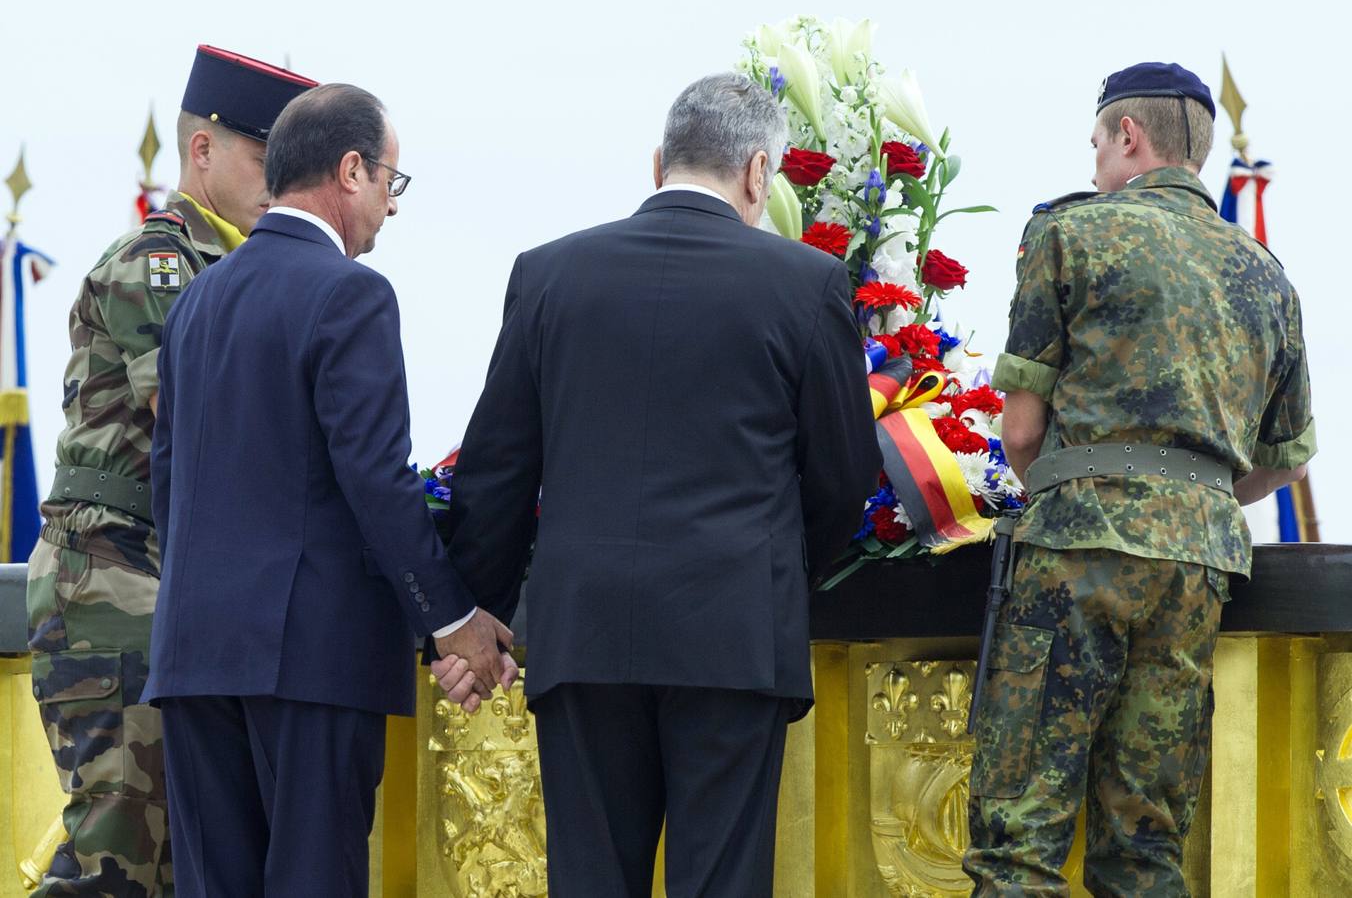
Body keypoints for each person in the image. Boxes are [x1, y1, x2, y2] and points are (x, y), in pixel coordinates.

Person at [430, 72, 881, 896]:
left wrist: (478, 615)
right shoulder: (805, 285)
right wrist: (773, 576)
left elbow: (496, 471)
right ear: (755, 173)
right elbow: (844, 475)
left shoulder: (548, 275)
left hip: (586, 636)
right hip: (734, 639)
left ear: (657, 164)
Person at [143, 82, 515, 897]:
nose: (391, 206)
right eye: (390, 182)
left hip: (194, 657)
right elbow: (376, 480)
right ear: (351, 171)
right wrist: (452, 621)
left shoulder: (197, 302)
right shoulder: (350, 292)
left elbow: (168, 485)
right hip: (308, 664)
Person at [965, 62, 1315, 895]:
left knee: (1019, 841)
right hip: (1199, 565)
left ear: (1129, 135)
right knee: (1145, 848)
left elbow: (1020, 430)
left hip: (1077, 548)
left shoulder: (1070, 233)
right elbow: (1284, 456)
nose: (1093, 165)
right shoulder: (1267, 275)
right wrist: (1184, 501)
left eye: (1096, 143)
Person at [24, 44, 316, 896]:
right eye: (266, 161)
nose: (279, 182)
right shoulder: (158, 266)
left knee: (177, 852)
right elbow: (202, 417)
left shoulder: (235, 271)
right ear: (202, 153)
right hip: (113, 580)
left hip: (166, 579)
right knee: (125, 850)